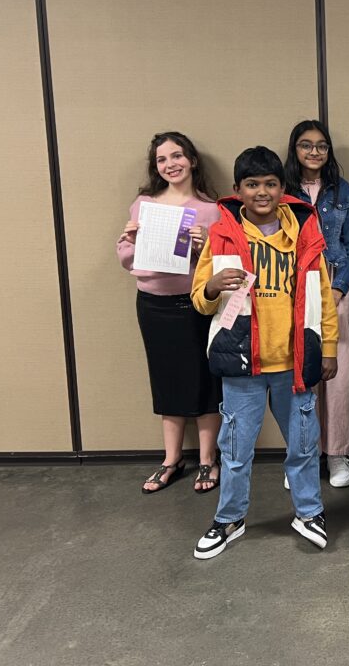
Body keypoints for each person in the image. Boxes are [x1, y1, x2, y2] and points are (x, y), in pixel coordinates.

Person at [190, 146, 338, 560]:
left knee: (304, 446)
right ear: (237, 190)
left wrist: (327, 348)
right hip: (242, 365)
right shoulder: (222, 234)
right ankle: (230, 519)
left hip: (295, 361)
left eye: (270, 184)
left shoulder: (305, 231)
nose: (262, 192)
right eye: (252, 184)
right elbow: (200, 301)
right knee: (235, 450)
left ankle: (309, 512)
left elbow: (323, 296)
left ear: (282, 188)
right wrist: (213, 286)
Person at [117, 132, 222, 494]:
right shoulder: (143, 205)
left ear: (191, 160)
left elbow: (218, 265)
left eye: (177, 156)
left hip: (196, 304)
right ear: (156, 167)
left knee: (206, 379)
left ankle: (208, 459)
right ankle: (171, 459)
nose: (170, 164)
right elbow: (125, 258)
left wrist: (202, 246)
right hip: (153, 304)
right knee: (165, 379)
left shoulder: (211, 208)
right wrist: (131, 242)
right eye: (162, 160)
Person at [283, 120, 349, 487]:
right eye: (306, 145)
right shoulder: (280, 190)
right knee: (301, 373)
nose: (314, 152)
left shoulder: (342, 191)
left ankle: (337, 454)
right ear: (294, 149)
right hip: (291, 292)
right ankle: (304, 454)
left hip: (335, 288)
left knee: (341, 375)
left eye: (321, 146)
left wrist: (339, 288)